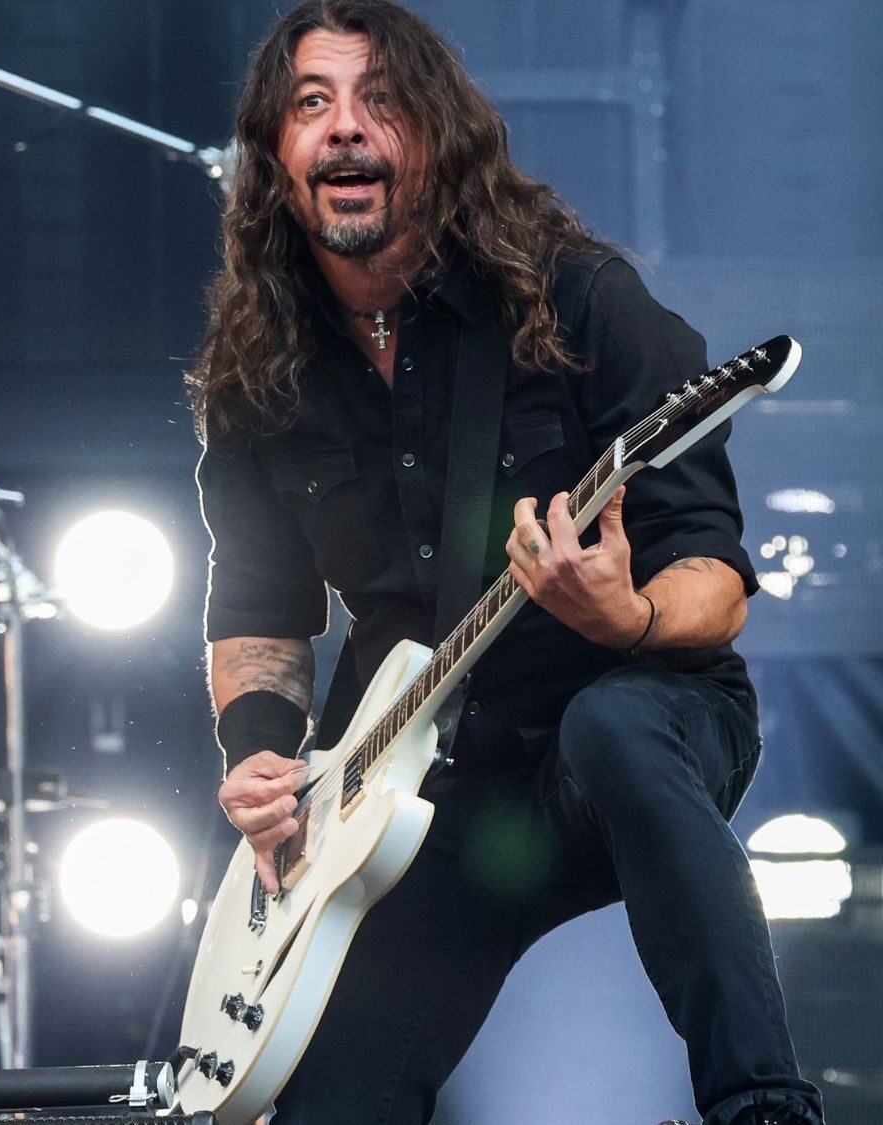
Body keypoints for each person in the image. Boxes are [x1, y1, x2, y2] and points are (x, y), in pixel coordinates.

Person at [189, 3, 821, 1123]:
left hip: (638, 728)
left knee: (612, 726)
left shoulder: (579, 302)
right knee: (326, 1100)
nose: (344, 128)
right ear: (275, 156)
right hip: (418, 786)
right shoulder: (260, 375)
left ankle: (763, 1106)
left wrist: (621, 619)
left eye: (379, 100)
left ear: (435, 138)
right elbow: (255, 610)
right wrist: (254, 755)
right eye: (311, 103)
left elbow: (711, 580)